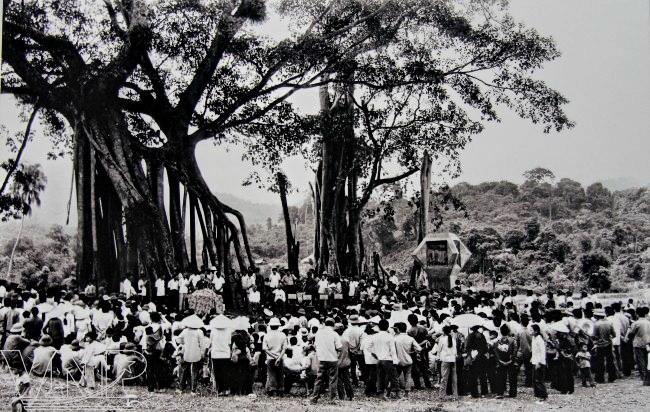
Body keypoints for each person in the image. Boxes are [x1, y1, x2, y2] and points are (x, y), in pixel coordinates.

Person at [310, 317, 342, 404]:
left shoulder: (319, 333)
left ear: (325, 323)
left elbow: (315, 346)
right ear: (333, 325)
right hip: (332, 359)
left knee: (319, 379)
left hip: (321, 359)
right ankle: (332, 399)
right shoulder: (334, 334)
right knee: (332, 380)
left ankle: (314, 398)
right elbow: (339, 347)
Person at [370, 319, 399, 400]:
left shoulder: (374, 336)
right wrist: (395, 360)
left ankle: (381, 394)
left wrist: (374, 354)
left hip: (379, 359)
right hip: (388, 359)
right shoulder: (390, 336)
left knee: (380, 377)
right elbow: (393, 350)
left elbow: (369, 347)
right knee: (393, 377)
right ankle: (397, 394)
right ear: (387, 327)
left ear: (379, 327)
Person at [394, 321, 420, 397]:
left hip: (398, 360)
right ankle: (407, 393)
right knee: (408, 376)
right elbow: (419, 348)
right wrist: (413, 351)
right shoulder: (410, 338)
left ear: (398, 329)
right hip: (408, 360)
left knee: (395, 376)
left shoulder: (395, 339)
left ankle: (394, 392)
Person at [591, 308, 617, 383]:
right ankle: (612, 377)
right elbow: (614, 335)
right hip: (608, 344)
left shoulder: (596, 324)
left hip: (600, 345)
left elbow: (594, 336)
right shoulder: (609, 323)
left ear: (597, 316)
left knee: (599, 362)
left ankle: (600, 378)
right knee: (610, 361)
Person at [492, 324, 518, 398]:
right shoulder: (513, 340)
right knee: (512, 378)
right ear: (509, 331)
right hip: (511, 361)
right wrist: (511, 359)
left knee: (500, 377)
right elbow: (515, 351)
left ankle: (500, 392)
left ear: (500, 331)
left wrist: (499, 360)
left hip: (501, 360)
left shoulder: (497, 341)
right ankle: (512, 393)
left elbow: (495, 351)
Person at [263, 317, 286, 396]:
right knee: (280, 374)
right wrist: (279, 358)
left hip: (270, 357)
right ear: (278, 326)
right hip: (280, 356)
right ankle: (281, 391)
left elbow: (265, 349)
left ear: (270, 325)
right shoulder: (282, 335)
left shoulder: (267, 335)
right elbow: (284, 348)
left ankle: (273, 391)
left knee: (271, 374)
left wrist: (274, 357)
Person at [465, 324, 488, 398]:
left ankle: (474, 393)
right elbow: (485, 347)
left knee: (473, 377)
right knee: (482, 376)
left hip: (473, 357)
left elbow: (467, 347)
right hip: (481, 358)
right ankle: (484, 392)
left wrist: (470, 356)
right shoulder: (482, 335)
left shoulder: (470, 336)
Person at [437, 325, 457, 400]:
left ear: (443, 332)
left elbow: (439, 350)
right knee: (454, 378)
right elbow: (455, 351)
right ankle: (455, 395)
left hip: (445, 359)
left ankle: (442, 395)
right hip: (453, 359)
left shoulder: (442, 339)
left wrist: (438, 358)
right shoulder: (453, 339)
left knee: (444, 378)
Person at [335, 322, 354, 400]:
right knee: (347, 379)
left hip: (337, 362)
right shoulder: (346, 339)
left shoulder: (335, 339)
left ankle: (341, 396)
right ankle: (350, 395)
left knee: (339, 380)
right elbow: (350, 350)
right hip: (346, 361)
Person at [530, 324, 547, 402]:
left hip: (539, 362)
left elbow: (542, 352)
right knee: (534, 379)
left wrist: (539, 362)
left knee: (538, 379)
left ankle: (543, 395)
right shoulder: (534, 338)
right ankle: (537, 394)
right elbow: (534, 350)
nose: (530, 332)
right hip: (534, 360)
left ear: (536, 331)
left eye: (531, 330)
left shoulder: (539, 339)